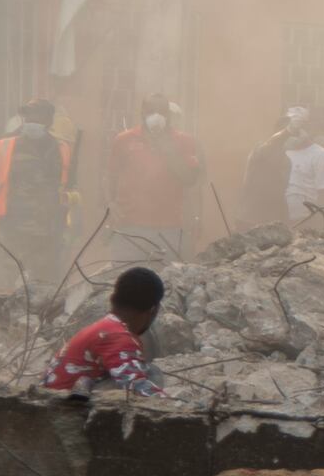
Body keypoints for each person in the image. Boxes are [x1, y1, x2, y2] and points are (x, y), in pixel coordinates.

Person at [0, 99, 73, 297]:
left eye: (38, 115)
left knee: (44, 287)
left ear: (49, 120)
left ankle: (36, 326)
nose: (32, 120)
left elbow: (69, 186)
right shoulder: (7, 145)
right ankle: (0, 325)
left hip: (49, 229)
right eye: (28, 115)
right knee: (4, 287)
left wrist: (68, 217)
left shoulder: (61, 148)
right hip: (13, 226)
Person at [107, 93, 203, 266]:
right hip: (129, 228)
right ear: (142, 113)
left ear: (168, 115)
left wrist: (169, 151)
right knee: (126, 281)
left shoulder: (183, 141)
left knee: (165, 285)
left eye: (161, 111)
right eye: (151, 111)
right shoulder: (124, 140)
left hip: (169, 229)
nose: (156, 116)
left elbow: (190, 179)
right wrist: (111, 203)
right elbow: (110, 176)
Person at [42, 266, 166, 398]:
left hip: (51, 398)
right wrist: (183, 411)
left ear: (114, 298)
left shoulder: (104, 328)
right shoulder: (118, 336)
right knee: (152, 374)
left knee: (144, 370)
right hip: (63, 407)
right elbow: (137, 387)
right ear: (153, 310)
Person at [240, 111, 301, 228]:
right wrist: (287, 132)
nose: (291, 138)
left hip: (275, 217)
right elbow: (273, 143)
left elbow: (281, 190)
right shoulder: (260, 150)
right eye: (287, 133)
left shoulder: (287, 160)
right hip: (252, 215)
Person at [283, 111, 324, 225]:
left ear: (309, 129)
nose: (294, 133)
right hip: (280, 219)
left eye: (299, 128)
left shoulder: (321, 155)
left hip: (306, 220)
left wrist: (318, 221)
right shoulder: (282, 152)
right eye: (291, 129)